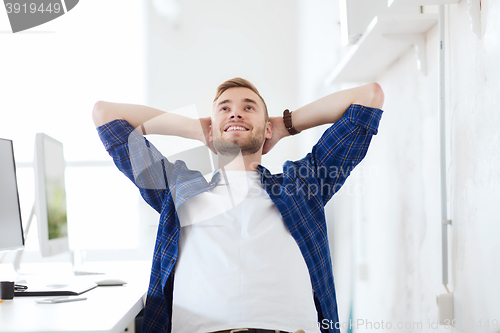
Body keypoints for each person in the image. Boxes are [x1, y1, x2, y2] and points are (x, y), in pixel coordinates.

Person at [92, 78, 384, 333]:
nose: (235, 112)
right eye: (224, 108)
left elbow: (369, 97)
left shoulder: (303, 185)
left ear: (267, 128)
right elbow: (106, 115)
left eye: (248, 107)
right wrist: (196, 129)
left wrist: (285, 125)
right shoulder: (177, 188)